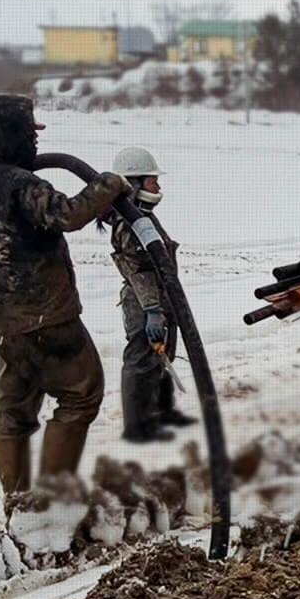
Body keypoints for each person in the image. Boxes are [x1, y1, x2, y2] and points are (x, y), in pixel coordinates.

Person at [0, 93, 128, 494]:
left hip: (4, 327)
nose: (36, 138)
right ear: (11, 134)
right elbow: (66, 214)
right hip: (48, 319)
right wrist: (109, 185)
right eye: (29, 130)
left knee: (14, 412)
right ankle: (51, 505)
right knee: (81, 394)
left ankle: (17, 502)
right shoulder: (22, 184)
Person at [104, 146, 194, 443]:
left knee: (164, 355)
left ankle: (162, 410)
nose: (158, 186)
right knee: (142, 359)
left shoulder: (144, 218)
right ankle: (137, 424)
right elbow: (137, 268)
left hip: (162, 299)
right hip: (144, 301)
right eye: (154, 180)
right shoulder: (129, 224)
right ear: (136, 183)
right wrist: (152, 309)